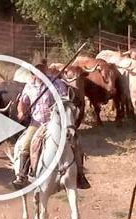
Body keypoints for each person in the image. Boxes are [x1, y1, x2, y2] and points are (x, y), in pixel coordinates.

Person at [12, 62, 91, 190]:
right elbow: (22, 101)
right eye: (38, 74)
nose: (42, 76)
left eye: (44, 74)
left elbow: (65, 99)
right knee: (26, 143)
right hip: (37, 123)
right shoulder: (29, 86)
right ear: (33, 75)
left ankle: (80, 176)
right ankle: (22, 175)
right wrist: (21, 111)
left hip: (56, 122)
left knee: (75, 142)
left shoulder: (57, 83)